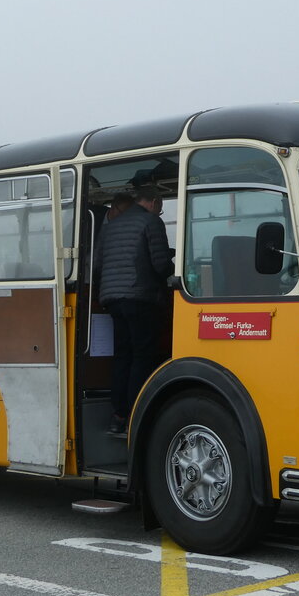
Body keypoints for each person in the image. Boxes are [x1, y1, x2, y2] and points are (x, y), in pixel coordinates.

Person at [95, 184, 174, 436]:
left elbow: (97, 265)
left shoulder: (111, 226)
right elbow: (160, 264)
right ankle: (136, 415)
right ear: (153, 202)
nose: (159, 212)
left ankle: (118, 416)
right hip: (141, 297)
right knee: (143, 356)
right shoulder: (150, 222)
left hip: (112, 298)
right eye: (160, 208)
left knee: (123, 355)